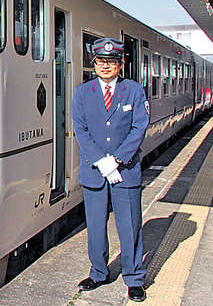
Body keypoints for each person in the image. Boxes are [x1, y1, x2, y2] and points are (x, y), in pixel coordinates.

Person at [72, 37, 150, 302]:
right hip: (94, 172)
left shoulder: (134, 91)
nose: (106, 66)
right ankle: (98, 272)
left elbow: (139, 127)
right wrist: (101, 161)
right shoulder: (82, 93)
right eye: (101, 62)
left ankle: (134, 278)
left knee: (129, 226)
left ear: (121, 64)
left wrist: (116, 160)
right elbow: (81, 130)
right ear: (94, 64)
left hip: (125, 171)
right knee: (95, 226)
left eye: (111, 62)